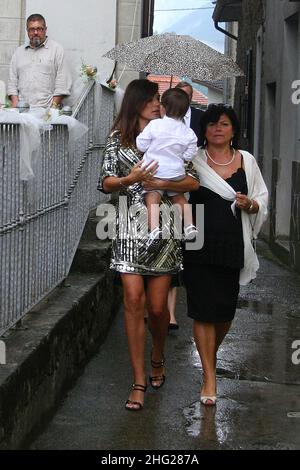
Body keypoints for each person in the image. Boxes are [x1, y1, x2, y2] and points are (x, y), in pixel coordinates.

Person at [98, 79, 199, 411]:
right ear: (137, 102)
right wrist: (131, 180)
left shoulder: (171, 133)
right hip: (128, 227)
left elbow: (192, 180)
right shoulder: (120, 140)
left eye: (160, 99)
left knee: (157, 309)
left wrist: (160, 181)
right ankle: (139, 380)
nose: (158, 103)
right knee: (133, 301)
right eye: (153, 99)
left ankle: (158, 355)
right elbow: (106, 181)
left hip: (164, 231)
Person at [183, 104, 268, 406]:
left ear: (233, 130)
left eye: (224, 124)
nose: (218, 129)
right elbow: (178, 193)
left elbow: (261, 198)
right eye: (211, 125)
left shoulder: (246, 161)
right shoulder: (193, 160)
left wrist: (250, 205)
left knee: (224, 312)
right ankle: (210, 376)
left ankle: (209, 354)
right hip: (198, 242)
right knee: (203, 309)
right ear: (203, 131)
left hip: (233, 243)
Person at [136, 88, 198, 246]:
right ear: (185, 111)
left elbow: (141, 145)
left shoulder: (155, 124)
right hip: (176, 172)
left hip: (154, 171)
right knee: (179, 198)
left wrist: (145, 138)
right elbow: (190, 154)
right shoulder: (188, 132)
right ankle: (190, 226)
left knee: (152, 198)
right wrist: (180, 157)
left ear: (162, 107)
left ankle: (155, 229)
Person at [8, 13, 72, 109]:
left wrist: (51, 111)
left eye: (39, 29)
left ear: (45, 29)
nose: (36, 32)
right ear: (27, 31)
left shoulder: (57, 50)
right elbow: (12, 83)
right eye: (32, 29)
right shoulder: (18, 52)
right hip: (22, 112)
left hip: (47, 111)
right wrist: (16, 108)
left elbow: (62, 83)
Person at [175, 81, 204, 146]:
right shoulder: (167, 115)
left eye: (187, 95)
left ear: (191, 97)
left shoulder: (201, 116)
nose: (183, 98)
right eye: (180, 95)